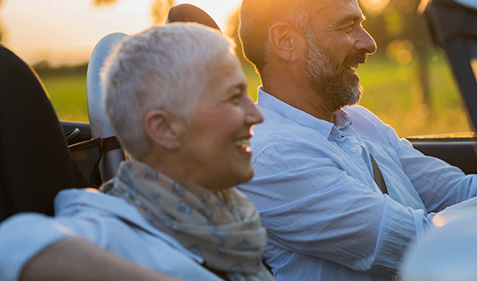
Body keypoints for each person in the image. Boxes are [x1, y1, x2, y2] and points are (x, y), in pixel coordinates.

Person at [236, 0, 477, 280]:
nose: (369, 43)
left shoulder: (359, 122)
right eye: (347, 25)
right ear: (286, 41)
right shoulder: (274, 158)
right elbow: (424, 244)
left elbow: (463, 192)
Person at [0, 23, 274, 281]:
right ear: (164, 128)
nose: (256, 115)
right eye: (234, 97)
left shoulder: (233, 218)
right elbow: (15, 241)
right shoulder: (115, 232)